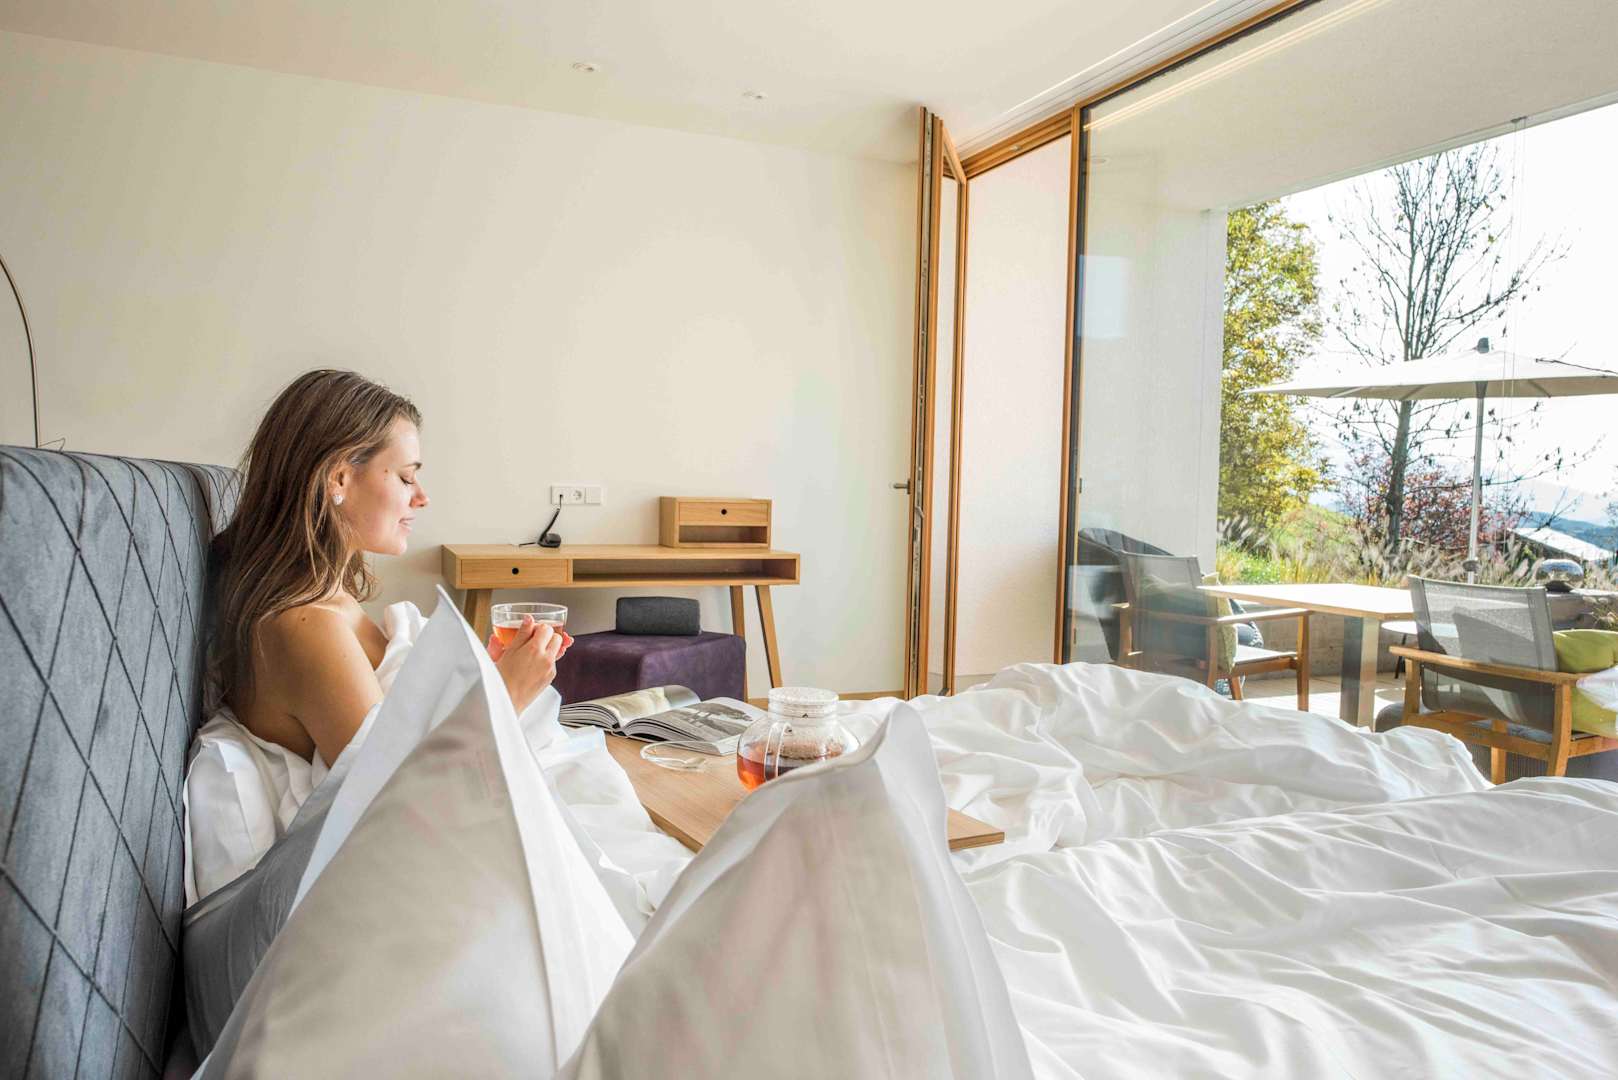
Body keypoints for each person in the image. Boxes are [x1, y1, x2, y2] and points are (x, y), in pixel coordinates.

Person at [210, 368, 566, 767]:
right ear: (339, 478)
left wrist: (492, 677)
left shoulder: (326, 595)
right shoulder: (307, 624)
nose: (422, 497)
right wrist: (508, 694)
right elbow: (392, 796)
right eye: (406, 477)